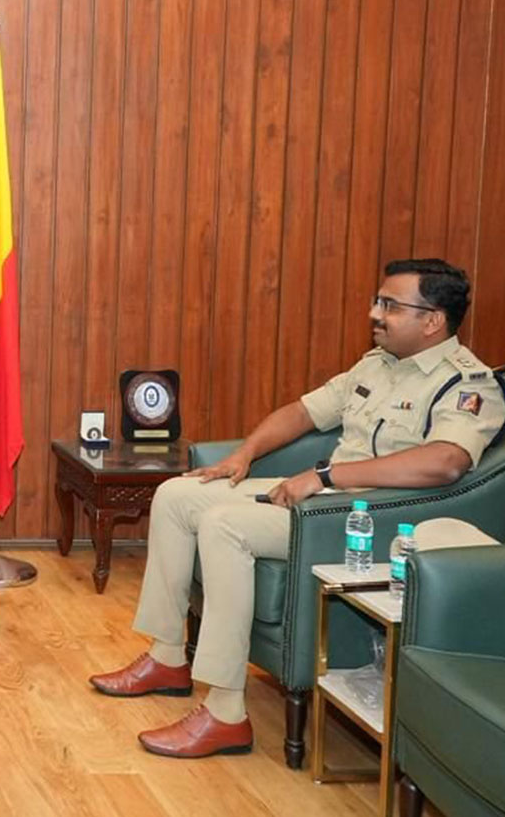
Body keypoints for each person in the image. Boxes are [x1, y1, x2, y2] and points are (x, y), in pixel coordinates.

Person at [91, 259, 504, 758]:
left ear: (433, 319)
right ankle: (168, 657)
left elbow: (445, 463)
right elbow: (303, 412)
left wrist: (328, 476)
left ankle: (225, 714)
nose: (375, 313)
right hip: (324, 500)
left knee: (224, 525)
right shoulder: (376, 364)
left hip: (372, 520)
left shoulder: (467, 384)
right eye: (378, 301)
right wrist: (243, 454)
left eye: (390, 305)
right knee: (177, 494)